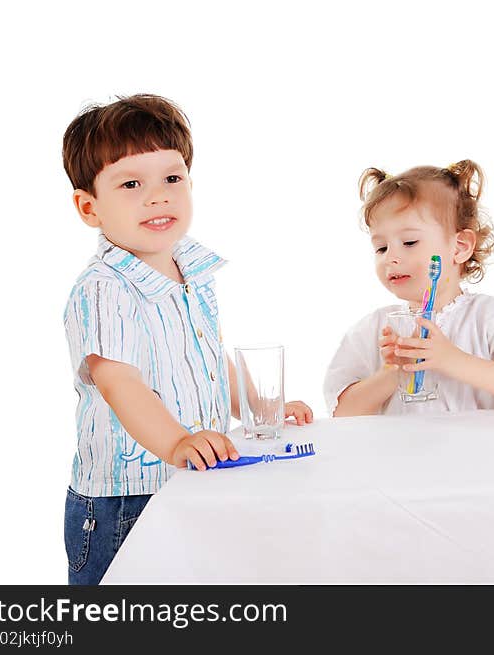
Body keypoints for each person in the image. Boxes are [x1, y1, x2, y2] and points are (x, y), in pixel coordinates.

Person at [61, 94, 313, 584]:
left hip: (193, 477)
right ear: (89, 207)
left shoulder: (194, 271)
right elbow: (119, 383)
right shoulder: (104, 288)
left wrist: (261, 407)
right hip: (128, 497)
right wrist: (176, 441)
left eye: (172, 179)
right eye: (132, 183)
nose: (158, 197)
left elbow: (210, 360)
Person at [324, 160, 494, 416]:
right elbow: (340, 413)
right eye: (381, 247)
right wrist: (392, 372)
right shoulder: (374, 329)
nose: (390, 257)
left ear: (459, 247)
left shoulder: (487, 316)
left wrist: (451, 359)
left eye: (410, 242)